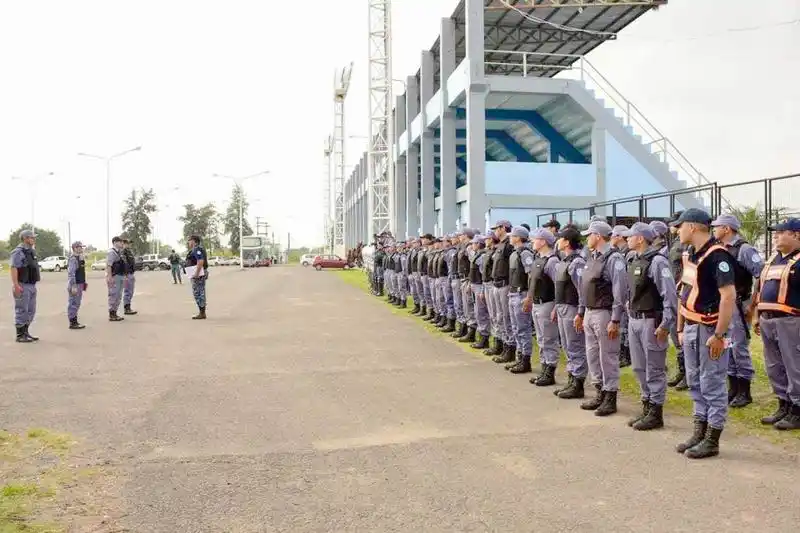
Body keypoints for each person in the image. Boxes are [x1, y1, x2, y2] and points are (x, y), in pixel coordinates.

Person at [674, 208, 736, 459]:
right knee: (696, 381)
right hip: (690, 327)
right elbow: (685, 292)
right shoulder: (691, 254)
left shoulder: (717, 255)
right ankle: (699, 431)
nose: (677, 231)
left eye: (680, 226)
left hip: (711, 330)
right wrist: (680, 326)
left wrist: (720, 335)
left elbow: (728, 296)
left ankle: (712, 438)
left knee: (713, 382)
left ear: (692, 227)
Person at [623, 222, 678, 431]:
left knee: (654, 367)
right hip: (636, 319)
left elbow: (669, 294)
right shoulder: (634, 260)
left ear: (640, 239)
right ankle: (646, 405)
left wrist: (665, 324)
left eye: (631, 236)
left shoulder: (656, 262)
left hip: (651, 321)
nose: (627, 239)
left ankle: (656, 411)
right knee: (638, 366)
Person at [577, 220, 629, 417]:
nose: (587, 238)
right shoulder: (592, 256)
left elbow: (619, 291)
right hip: (591, 312)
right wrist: (581, 312)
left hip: (604, 313)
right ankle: (599, 391)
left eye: (589, 235)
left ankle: (610, 396)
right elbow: (584, 287)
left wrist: (615, 319)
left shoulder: (613, 258)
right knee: (592, 354)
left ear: (598, 236)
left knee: (607, 356)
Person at [711, 213, 763, 408]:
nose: (714, 230)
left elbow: (761, 274)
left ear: (727, 229)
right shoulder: (720, 249)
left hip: (739, 304)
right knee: (727, 345)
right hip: (725, 304)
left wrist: (753, 304)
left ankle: (744, 391)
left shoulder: (744, 249)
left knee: (738, 346)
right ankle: (733, 387)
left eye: (717, 226)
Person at [753, 218, 800, 430]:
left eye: (781, 232)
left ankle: (797, 410)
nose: (775, 236)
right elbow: (759, 289)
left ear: (796, 235)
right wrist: (756, 315)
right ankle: (784, 404)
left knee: (794, 366)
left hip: (790, 320)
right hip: (767, 319)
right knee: (774, 366)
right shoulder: (773, 260)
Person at [553, 227, 588, 399]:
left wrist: (580, 313)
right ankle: (571, 379)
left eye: (560, 238)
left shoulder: (577, 262)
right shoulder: (564, 261)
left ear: (567, 242)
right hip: (562, 307)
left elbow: (582, 290)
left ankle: (578, 383)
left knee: (575, 345)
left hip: (572, 308)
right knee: (567, 345)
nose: (557, 241)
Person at [525, 227, 562, 386]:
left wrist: (556, 306)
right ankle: (544, 368)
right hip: (537, 303)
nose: (533, 242)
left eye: (535, 239)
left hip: (547, 303)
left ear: (543, 241)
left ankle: (550, 370)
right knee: (541, 338)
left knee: (549, 338)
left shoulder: (552, 261)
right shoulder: (538, 258)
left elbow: (558, 285)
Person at [505, 226, 535, 373]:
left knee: (523, 328)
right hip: (513, 293)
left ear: (518, 237)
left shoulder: (525, 253)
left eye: (513, 235)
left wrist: (529, 297)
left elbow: (531, 276)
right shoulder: (514, 253)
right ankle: (519, 357)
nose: (510, 237)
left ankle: (525, 360)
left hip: (521, 294)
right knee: (516, 328)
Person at [667, 211, 689, 390]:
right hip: (674, 294)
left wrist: (680, 286)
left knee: (683, 335)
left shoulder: (685, 245)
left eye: (675, 224)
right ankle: (683, 371)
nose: (671, 226)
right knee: (676, 333)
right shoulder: (675, 243)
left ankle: (688, 374)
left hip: (683, 294)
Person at [490, 220, 515, 364]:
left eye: (497, 228)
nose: (495, 231)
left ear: (503, 228)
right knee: (500, 317)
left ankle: (509, 348)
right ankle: (504, 345)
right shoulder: (501, 244)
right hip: (497, 284)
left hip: (505, 284)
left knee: (506, 317)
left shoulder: (508, 245)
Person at [10, 229, 40, 342]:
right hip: (22, 284)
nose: (34, 239)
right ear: (25, 238)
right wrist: (16, 285)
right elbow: (14, 268)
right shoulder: (18, 252)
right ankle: (20, 335)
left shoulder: (31, 251)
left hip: (31, 285)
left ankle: (26, 332)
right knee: (22, 310)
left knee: (31, 310)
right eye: (32, 237)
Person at [611, 224, 633, 369]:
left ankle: (626, 356)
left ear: (619, 237)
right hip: (623, 295)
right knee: (624, 326)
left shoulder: (628, 253)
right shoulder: (621, 252)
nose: (611, 237)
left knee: (625, 326)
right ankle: (624, 354)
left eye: (613, 235)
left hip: (628, 296)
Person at [186, 235, 209, 320]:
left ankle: (202, 313)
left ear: (194, 241)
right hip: (198, 273)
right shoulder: (195, 249)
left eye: (189, 240)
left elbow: (200, 261)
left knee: (199, 293)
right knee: (199, 292)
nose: (188, 242)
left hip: (198, 274)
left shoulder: (197, 249)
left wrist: (196, 273)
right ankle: (202, 312)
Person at [67, 241, 88, 330]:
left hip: (80, 283)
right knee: (73, 303)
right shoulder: (73, 259)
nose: (81, 248)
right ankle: (72, 322)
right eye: (80, 247)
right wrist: (74, 286)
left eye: (82, 247)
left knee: (77, 303)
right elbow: (71, 273)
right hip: (75, 284)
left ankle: (75, 320)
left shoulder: (80, 258)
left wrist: (84, 283)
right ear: (75, 248)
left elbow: (81, 272)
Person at [106, 236, 127, 322]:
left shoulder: (119, 252)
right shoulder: (112, 252)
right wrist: (109, 277)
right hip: (115, 276)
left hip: (120, 276)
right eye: (120, 242)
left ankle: (115, 313)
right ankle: (112, 314)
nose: (122, 243)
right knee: (114, 295)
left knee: (118, 295)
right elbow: (109, 265)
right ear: (115, 242)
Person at [121, 238, 138, 315]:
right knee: (128, 291)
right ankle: (127, 308)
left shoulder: (129, 252)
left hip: (131, 273)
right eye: (127, 243)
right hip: (127, 274)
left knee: (130, 291)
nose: (129, 244)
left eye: (129, 243)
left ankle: (128, 307)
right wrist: (125, 274)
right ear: (123, 244)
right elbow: (124, 264)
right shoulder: (123, 252)